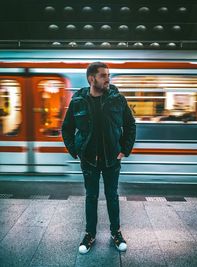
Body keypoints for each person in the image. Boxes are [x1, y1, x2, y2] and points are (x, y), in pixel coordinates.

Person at [62, 62, 136, 254]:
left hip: (112, 159)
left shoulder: (117, 99)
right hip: (89, 160)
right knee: (91, 197)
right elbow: (67, 128)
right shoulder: (78, 101)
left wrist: (124, 150)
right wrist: (75, 151)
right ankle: (90, 234)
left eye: (108, 75)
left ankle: (116, 233)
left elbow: (130, 125)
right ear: (91, 79)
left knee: (112, 196)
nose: (107, 79)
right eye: (103, 76)